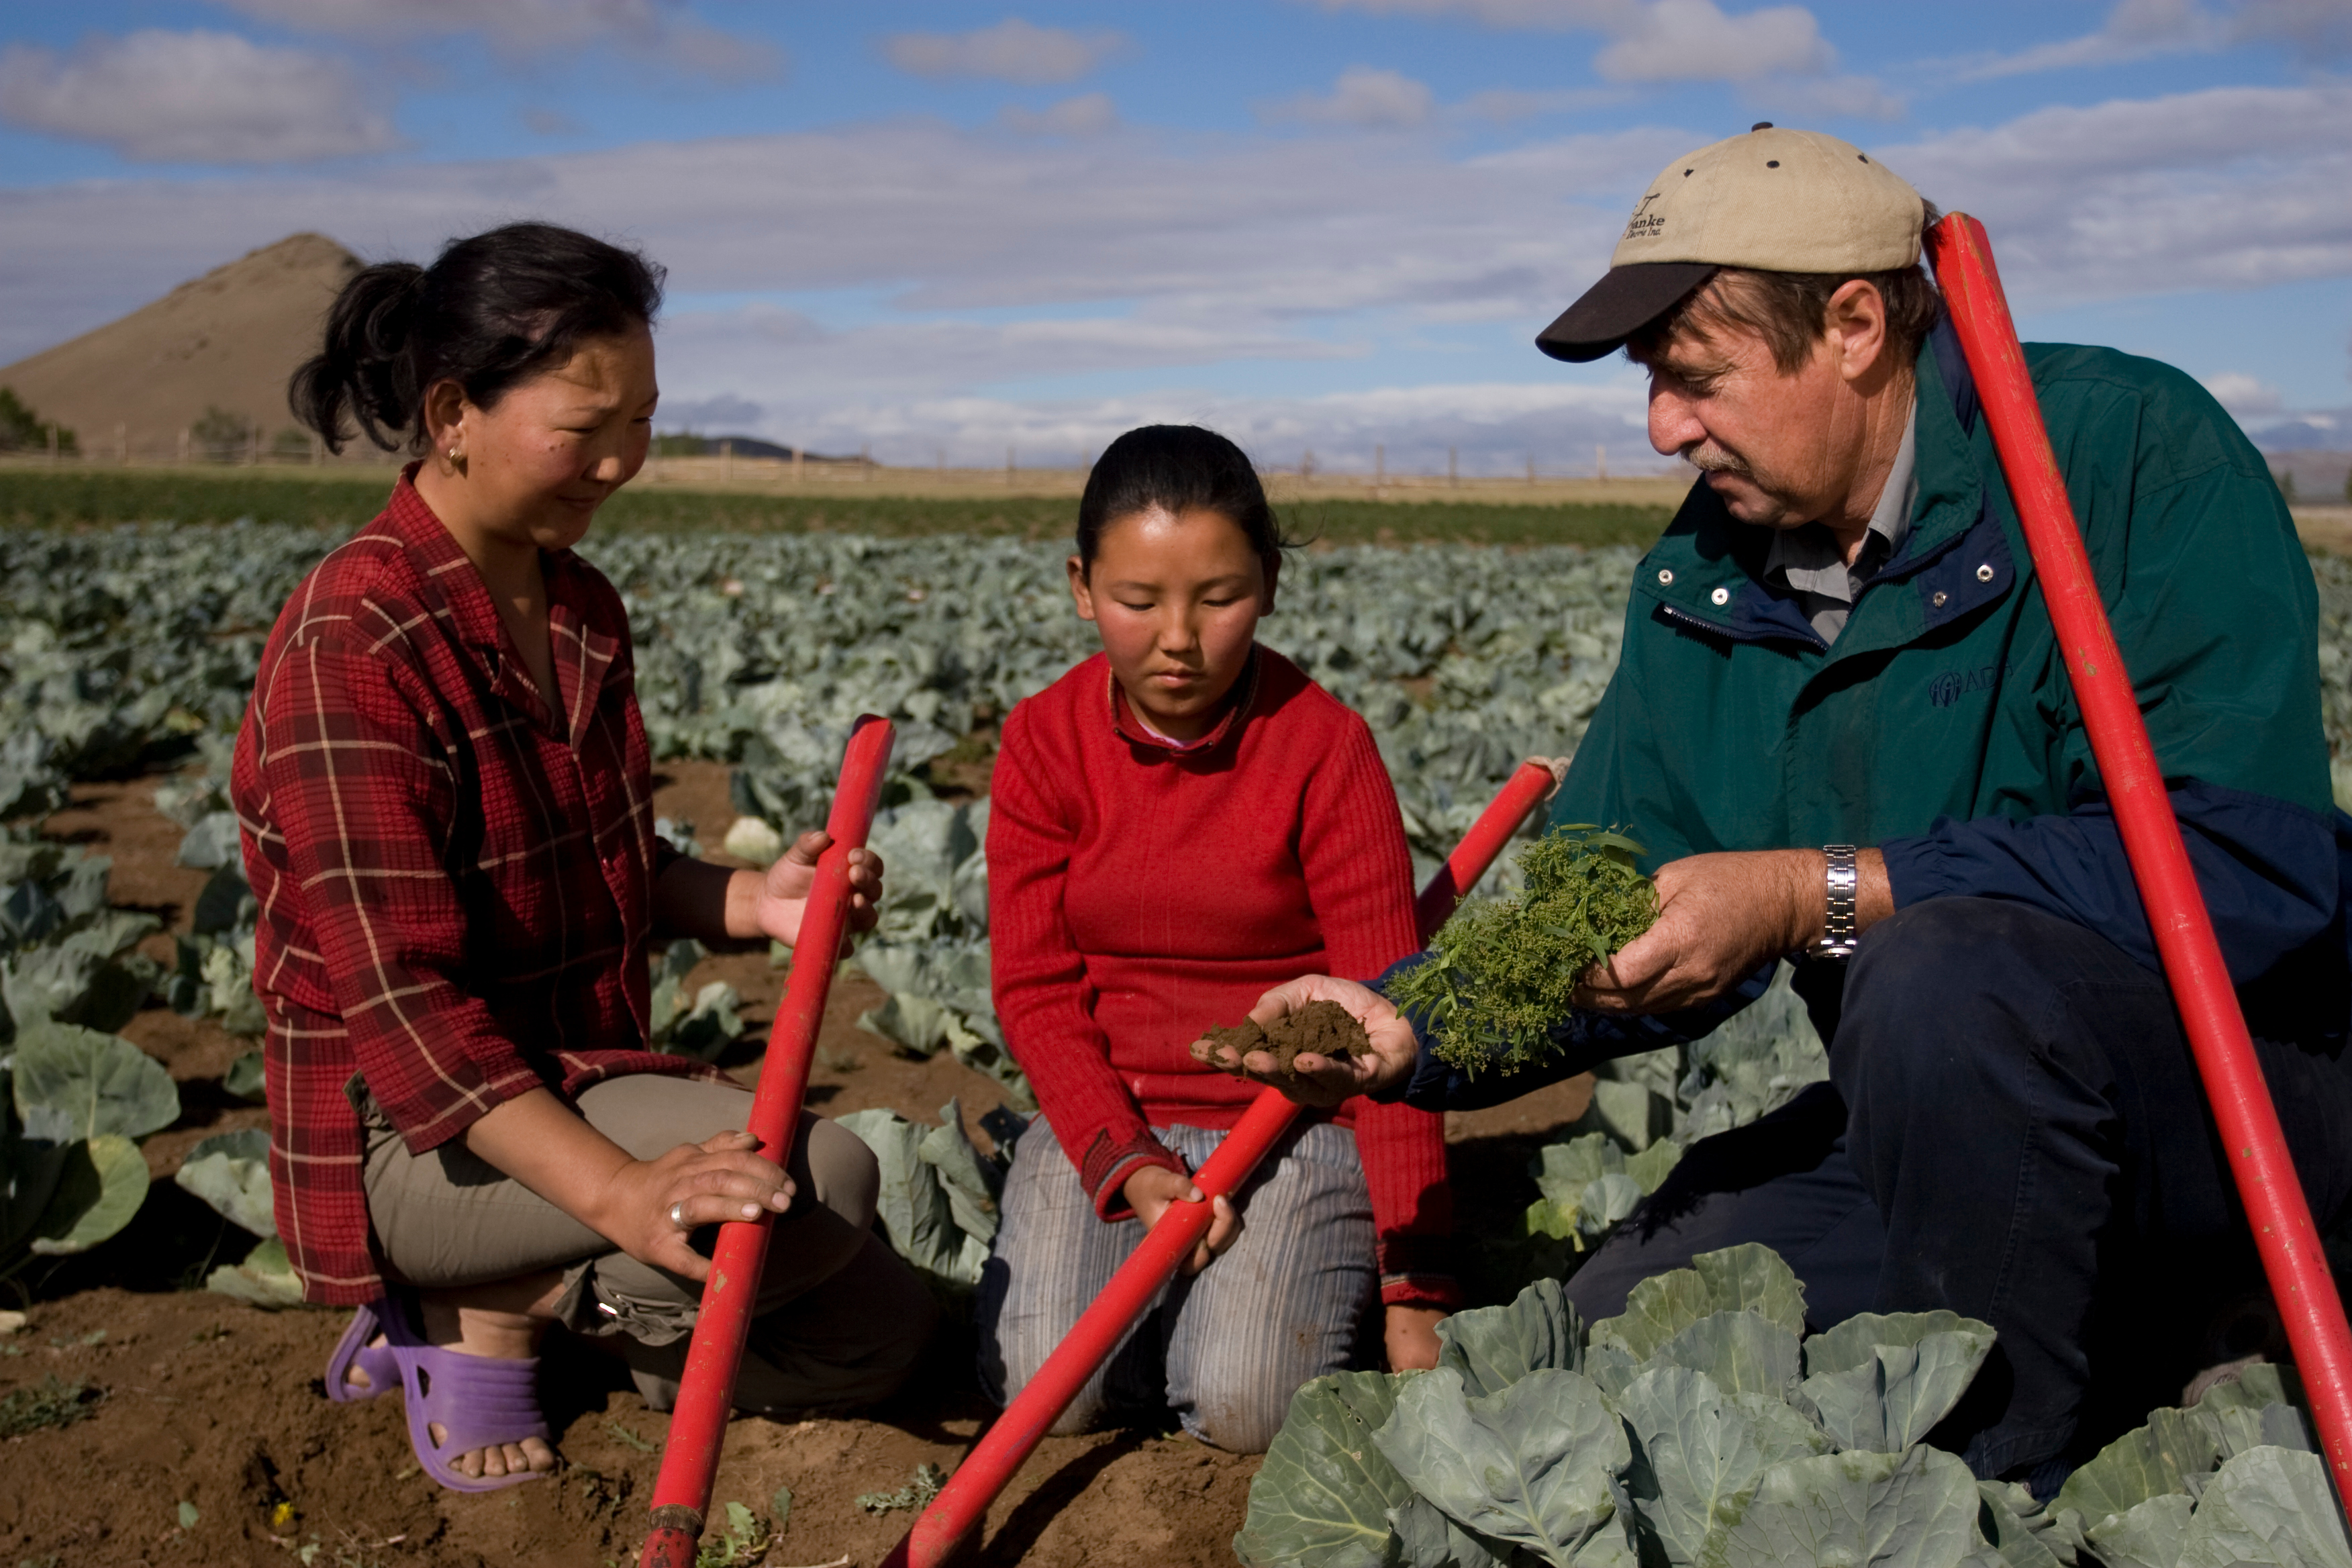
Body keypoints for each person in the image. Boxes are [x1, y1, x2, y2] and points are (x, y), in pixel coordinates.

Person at [1205, 126, 2352, 1490]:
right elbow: (1610, 912)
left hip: (2248, 1109)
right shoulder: (1706, 579)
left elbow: (2248, 867)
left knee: (1938, 976)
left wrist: (1824, 893)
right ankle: (2157, 1339)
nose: (1662, 428)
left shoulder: (2125, 457)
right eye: (1651, 385)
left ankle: (2001, 1489)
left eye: (1694, 377)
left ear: (1856, 325)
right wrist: (1409, 1027)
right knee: (1623, 1338)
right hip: (1950, 1129)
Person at [232, 222, 935, 1492]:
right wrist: (618, 1195)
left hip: (574, 1071)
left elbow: (600, 850)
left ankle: (568, 1310)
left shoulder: (577, 604)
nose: (618, 461)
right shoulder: (357, 638)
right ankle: (474, 1309)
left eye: (644, 421)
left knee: (882, 1340)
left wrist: (748, 901)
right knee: (821, 1176)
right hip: (415, 1128)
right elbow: (410, 1007)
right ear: (453, 412)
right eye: (582, 425)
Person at [975, 424, 1459, 1452]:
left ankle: (1237, 1316)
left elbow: (1388, 1012)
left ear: (1271, 585)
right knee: (1050, 1399)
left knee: (1247, 1408)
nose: (1179, 640)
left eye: (1220, 597)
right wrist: (1134, 1169)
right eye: (1138, 603)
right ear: (1080, 586)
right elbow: (1035, 994)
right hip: (1109, 1118)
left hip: (1287, 1126)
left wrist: (1416, 1287)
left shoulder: (1326, 749)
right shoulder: (1042, 743)